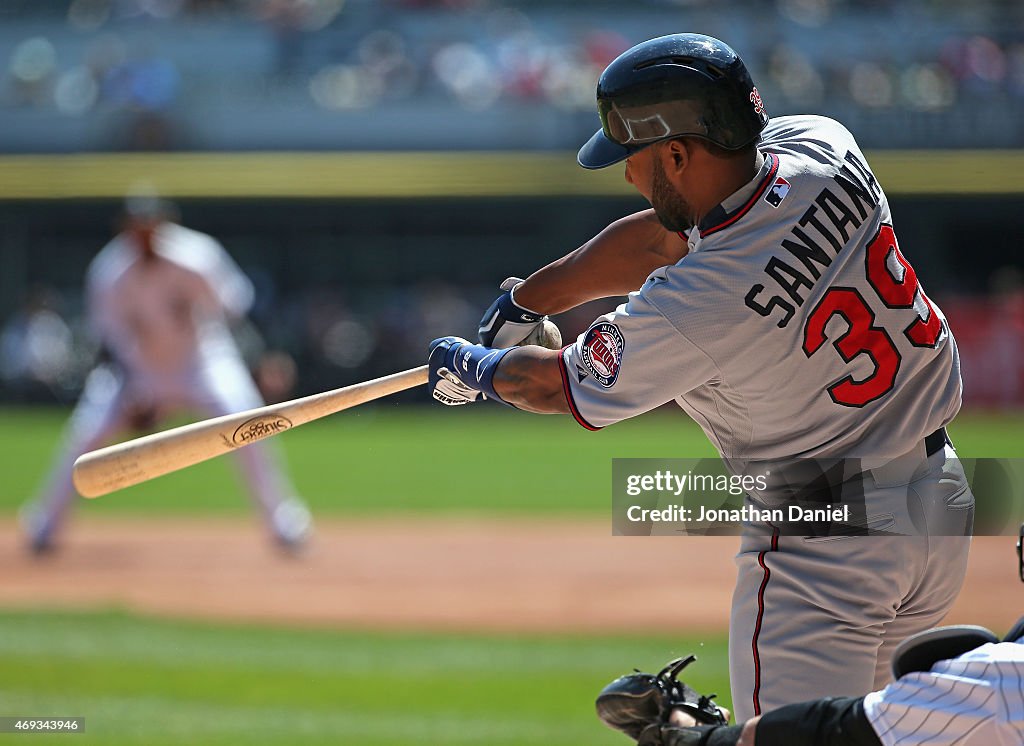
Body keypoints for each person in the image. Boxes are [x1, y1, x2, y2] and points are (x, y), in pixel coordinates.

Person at [426, 33, 973, 721]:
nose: (625, 174)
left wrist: (473, 369)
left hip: (825, 534)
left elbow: (550, 384)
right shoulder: (826, 148)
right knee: (888, 735)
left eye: (634, 156)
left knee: (792, 742)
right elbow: (663, 238)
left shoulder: (701, 302)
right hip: (940, 500)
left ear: (678, 152)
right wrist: (528, 300)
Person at [19, 193, 312, 554]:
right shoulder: (110, 271)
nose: (145, 234)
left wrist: (261, 358)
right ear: (125, 230)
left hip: (202, 363)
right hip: (137, 370)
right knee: (86, 432)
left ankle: (284, 521)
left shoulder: (196, 256)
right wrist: (136, 393)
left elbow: (234, 309)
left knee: (248, 422)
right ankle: (44, 524)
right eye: (137, 227)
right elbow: (108, 340)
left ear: (165, 224)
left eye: (151, 225)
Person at [613, 615, 1024, 746]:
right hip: (939, 503)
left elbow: (837, 728)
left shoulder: (1001, 676)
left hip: (818, 505)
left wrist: (694, 735)